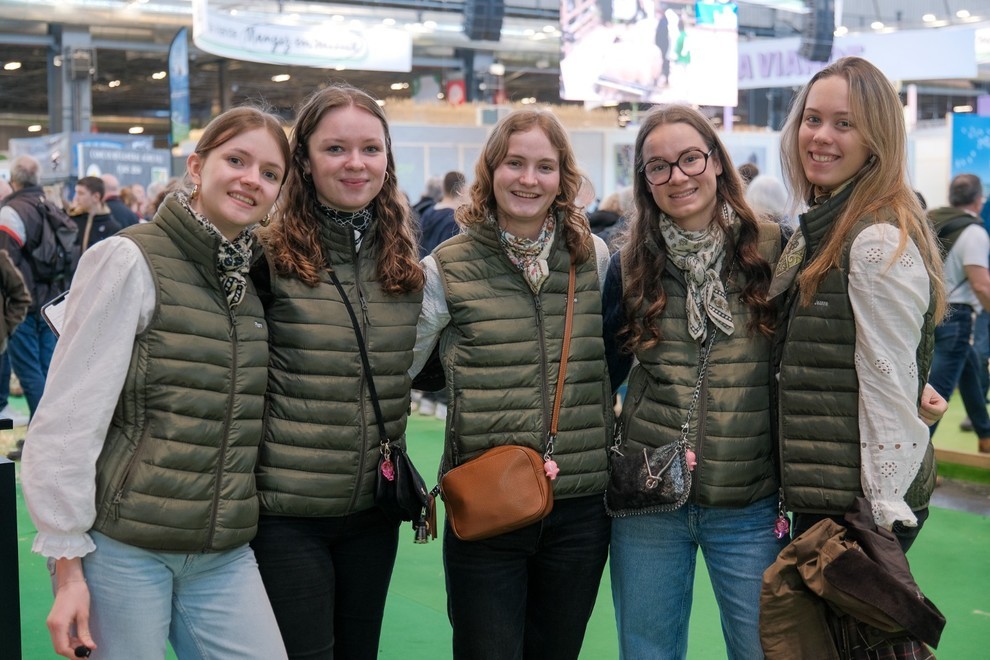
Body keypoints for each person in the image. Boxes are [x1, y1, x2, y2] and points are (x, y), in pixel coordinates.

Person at [19, 105, 291, 659]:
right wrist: (67, 567)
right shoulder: (127, 258)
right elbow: (69, 416)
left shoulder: (254, 277)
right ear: (197, 166)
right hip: (125, 546)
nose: (251, 180)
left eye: (269, 173)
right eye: (235, 160)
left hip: (223, 549)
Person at [410, 108, 613, 660]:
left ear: (563, 178)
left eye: (545, 166)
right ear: (491, 170)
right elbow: (403, 365)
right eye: (515, 163)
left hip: (578, 504)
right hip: (488, 501)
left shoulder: (592, 257)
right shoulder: (445, 267)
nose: (529, 178)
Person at [603, 103, 785, 660]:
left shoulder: (775, 250)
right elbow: (600, 372)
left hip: (749, 499)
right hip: (649, 496)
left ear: (716, 162)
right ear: (645, 181)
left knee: (763, 650)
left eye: (689, 159)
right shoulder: (628, 264)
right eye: (658, 167)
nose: (677, 176)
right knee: (648, 651)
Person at [249, 84, 425, 660]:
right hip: (288, 512)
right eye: (335, 149)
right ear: (304, 160)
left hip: (375, 510)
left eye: (370, 149)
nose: (356, 164)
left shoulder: (401, 259)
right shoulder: (266, 254)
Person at [773, 56, 945, 552]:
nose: (821, 136)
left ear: (876, 140)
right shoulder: (832, 223)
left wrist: (882, 522)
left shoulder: (872, 239)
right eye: (813, 118)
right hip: (833, 492)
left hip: (857, 508)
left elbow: (888, 389)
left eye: (844, 124)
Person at [0, 155, 68, 429]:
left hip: (23, 305)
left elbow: (6, 262)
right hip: (50, 302)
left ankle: (45, 435)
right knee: (49, 369)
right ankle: (53, 432)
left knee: (29, 372)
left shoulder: (11, 211)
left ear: (13, 180)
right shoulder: (52, 205)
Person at [926, 173, 990, 453]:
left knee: (971, 374)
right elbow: (981, 285)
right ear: (978, 200)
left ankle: (986, 437)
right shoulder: (973, 231)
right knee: (934, 399)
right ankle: (914, 463)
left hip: (930, 314)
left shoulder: (931, 222)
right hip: (957, 319)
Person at [69, 176, 123, 255]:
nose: (76, 198)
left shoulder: (112, 227)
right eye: (76, 193)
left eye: (81, 193)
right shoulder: (72, 220)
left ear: (96, 197)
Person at [418, 170, 465, 259]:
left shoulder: (428, 212)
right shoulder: (454, 220)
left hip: (422, 266)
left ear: (443, 187)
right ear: (461, 190)